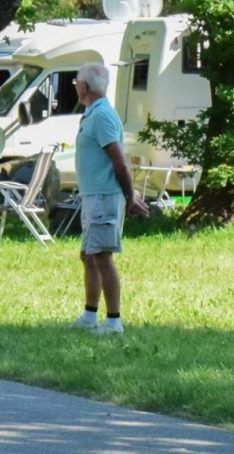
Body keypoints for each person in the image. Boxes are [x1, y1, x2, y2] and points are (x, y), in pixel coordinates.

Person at [71, 63, 148, 335]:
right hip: (93, 195)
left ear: (85, 87)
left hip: (104, 196)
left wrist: (130, 196)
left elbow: (119, 161)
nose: (75, 86)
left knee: (102, 256)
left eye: (76, 82)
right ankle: (90, 316)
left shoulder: (102, 116)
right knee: (88, 256)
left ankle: (114, 321)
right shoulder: (92, 114)